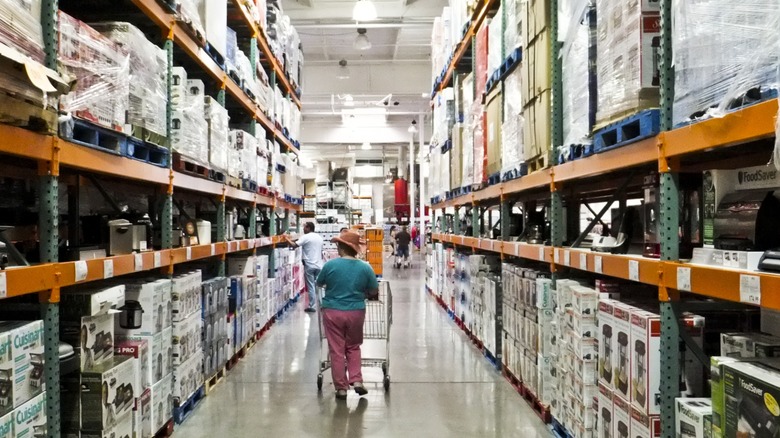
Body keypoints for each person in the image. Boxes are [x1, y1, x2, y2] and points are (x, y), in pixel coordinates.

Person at [316, 231, 379, 400]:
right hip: (356, 312)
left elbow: (319, 283)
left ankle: (341, 388)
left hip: (332, 311)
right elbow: (374, 290)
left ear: (341, 247)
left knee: (336, 350)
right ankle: (357, 380)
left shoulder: (330, 265)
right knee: (353, 346)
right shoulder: (365, 267)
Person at [285, 222, 324, 313]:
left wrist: (286, 238)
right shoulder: (319, 237)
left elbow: (294, 245)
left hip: (309, 265)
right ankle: (322, 305)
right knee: (318, 286)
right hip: (319, 265)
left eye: (304, 227)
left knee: (311, 286)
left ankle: (312, 306)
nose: (303, 229)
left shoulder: (306, 237)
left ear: (309, 228)